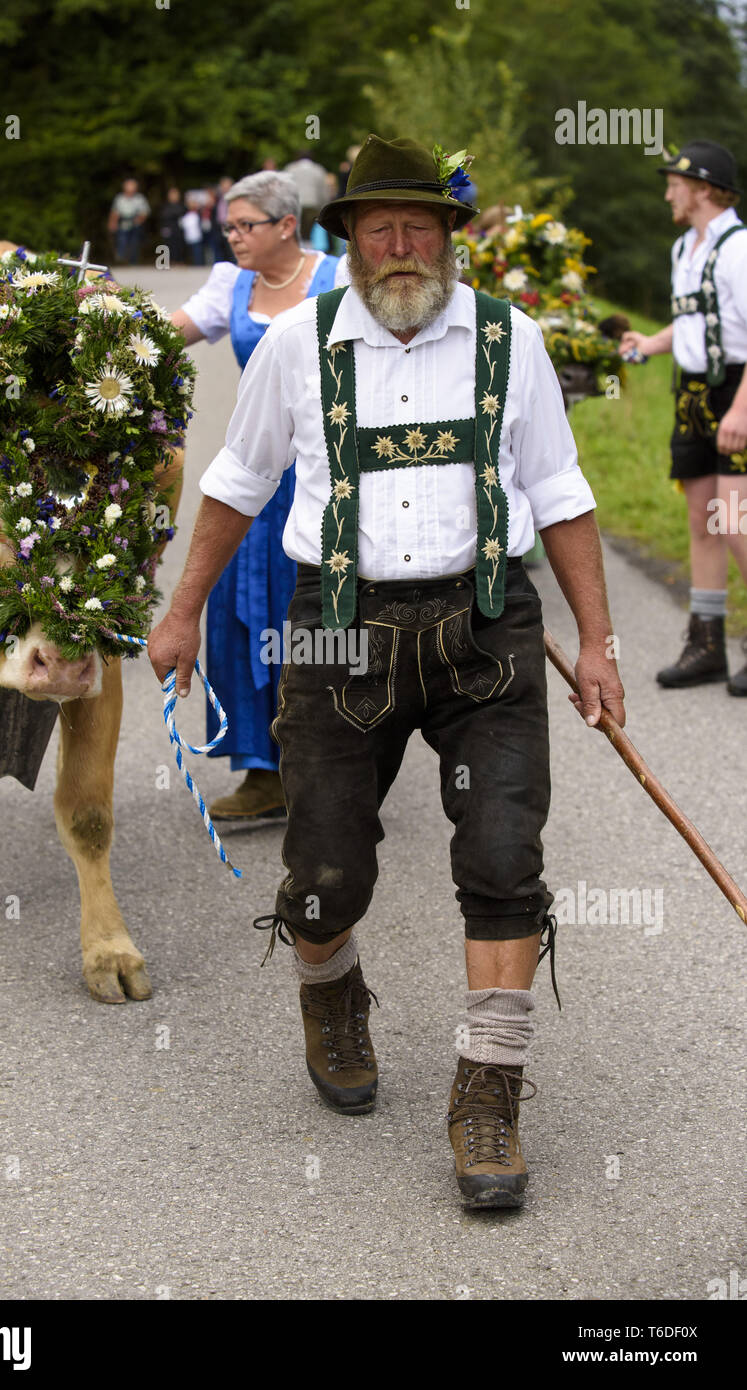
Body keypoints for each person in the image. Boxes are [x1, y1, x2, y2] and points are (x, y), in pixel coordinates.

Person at [149, 135, 625, 1210]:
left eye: (419, 225)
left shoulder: (511, 339)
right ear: (349, 240)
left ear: (451, 238)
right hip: (336, 629)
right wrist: (181, 610)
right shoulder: (297, 342)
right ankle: (331, 991)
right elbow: (236, 479)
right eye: (379, 227)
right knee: (324, 875)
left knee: (504, 858)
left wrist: (598, 644)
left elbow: (560, 493)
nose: (400, 245)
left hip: (485, 626)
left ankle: (488, 1093)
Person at [168, 170, 343, 820]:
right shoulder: (230, 286)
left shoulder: (341, 277)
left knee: (319, 618)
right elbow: (164, 336)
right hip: (257, 473)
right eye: (229, 228)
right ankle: (261, 771)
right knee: (243, 615)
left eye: (246, 226)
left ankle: (328, 767)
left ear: (286, 225)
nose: (234, 237)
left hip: (325, 472)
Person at [621, 140, 747, 695]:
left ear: (702, 187)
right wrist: (650, 344)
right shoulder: (683, 250)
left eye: (675, 181)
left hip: (737, 391)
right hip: (692, 392)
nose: (667, 190)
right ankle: (707, 645)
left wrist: (742, 408)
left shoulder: (740, 250)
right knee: (702, 520)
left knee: (735, 519)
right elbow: (696, 325)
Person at [282, 150, 331, 241]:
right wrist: (324, 208)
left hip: (295, 205)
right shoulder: (318, 169)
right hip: (312, 205)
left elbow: (284, 189)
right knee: (310, 236)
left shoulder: (290, 168)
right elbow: (323, 191)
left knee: (296, 234)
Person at [107, 178, 150, 265]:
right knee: (121, 241)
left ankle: (133, 261)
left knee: (134, 242)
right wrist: (112, 223)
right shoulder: (120, 198)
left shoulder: (139, 198)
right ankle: (121, 260)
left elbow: (145, 212)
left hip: (135, 223)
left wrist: (139, 220)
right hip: (123, 222)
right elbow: (115, 212)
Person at [157, 186, 186, 266]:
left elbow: (182, 214)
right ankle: (169, 261)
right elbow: (164, 216)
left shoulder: (182, 205)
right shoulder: (165, 206)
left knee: (179, 245)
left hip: (178, 229)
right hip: (168, 229)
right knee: (168, 246)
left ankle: (179, 261)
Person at [179, 194, 204, 266]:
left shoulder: (199, 213)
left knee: (198, 252)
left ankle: (199, 265)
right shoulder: (185, 213)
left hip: (197, 236)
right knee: (191, 253)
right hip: (189, 237)